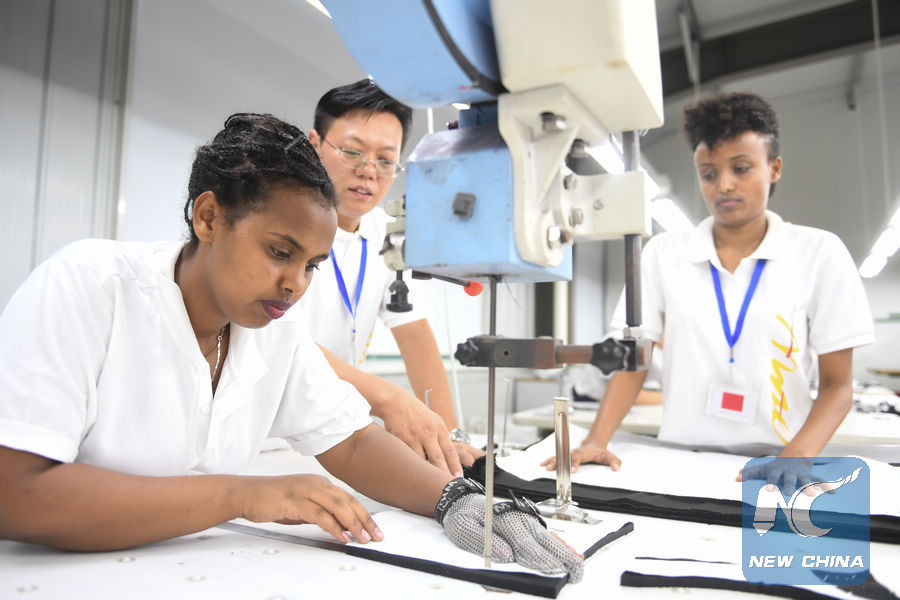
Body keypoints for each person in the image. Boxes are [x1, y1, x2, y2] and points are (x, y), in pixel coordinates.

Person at [0, 113, 581, 580]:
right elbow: (14, 493)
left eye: (312, 266)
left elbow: (352, 442)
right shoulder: (89, 286)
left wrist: (456, 498)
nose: (295, 285)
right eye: (280, 253)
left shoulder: (270, 330)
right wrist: (241, 496)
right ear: (209, 217)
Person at [544, 92, 874, 479]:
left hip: (778, 459)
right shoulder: (663, 254)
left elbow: (838, 385)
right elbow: (635, 363)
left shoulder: (819, 253)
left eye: (741, 168)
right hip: (682, 461)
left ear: (774, 168)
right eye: (709, 173)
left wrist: (796, 455)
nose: (724, 185)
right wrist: (596, 440)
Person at [300, 79, 484, 476]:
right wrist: (389, 399)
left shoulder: (386, 234)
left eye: (386, 161)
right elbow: (281, 343)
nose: (368, 172)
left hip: (333, 436)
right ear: (315, 144)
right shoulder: (282, 226)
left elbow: (415, 336)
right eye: (352, 152)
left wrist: (449, 436)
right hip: (267, 442)